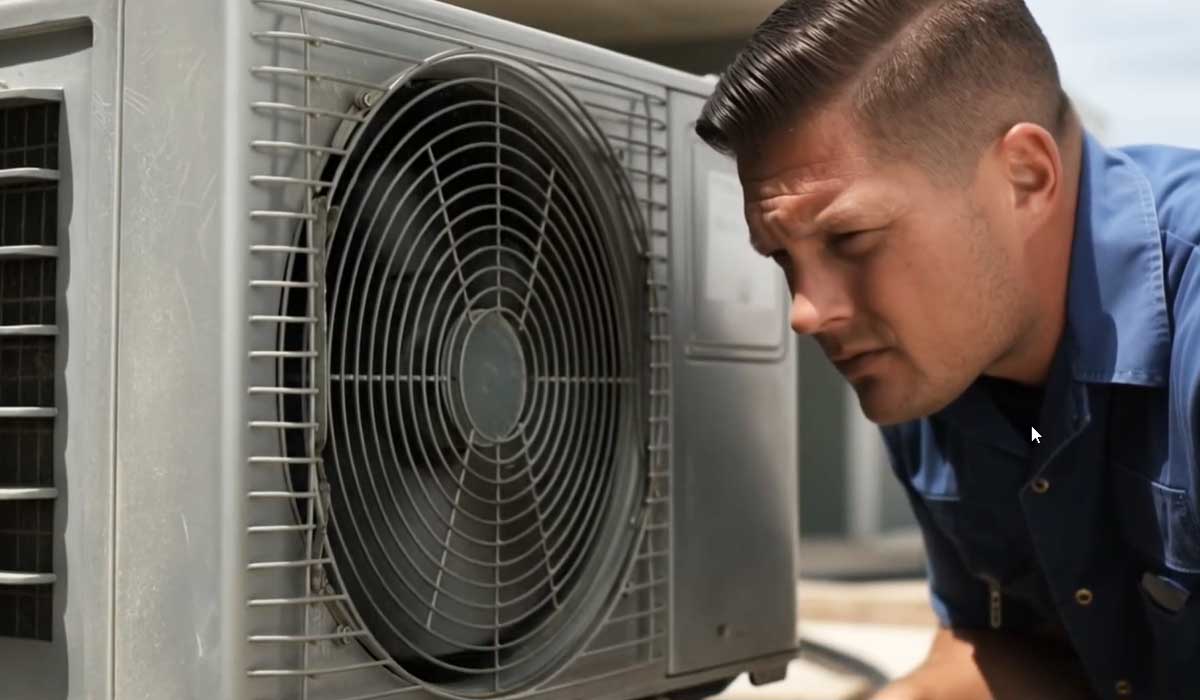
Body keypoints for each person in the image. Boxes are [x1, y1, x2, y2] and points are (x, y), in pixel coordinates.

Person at [695, 1, 1200, 698]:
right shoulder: (935, 366)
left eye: (851, 241)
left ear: (1025, 176)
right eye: (783, 257)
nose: (806, 312)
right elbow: (1011, 646)